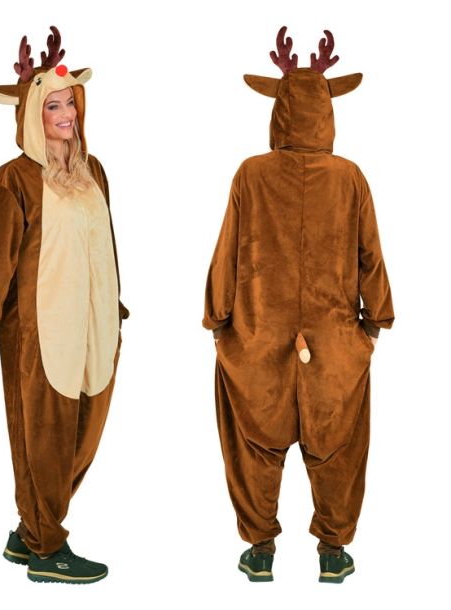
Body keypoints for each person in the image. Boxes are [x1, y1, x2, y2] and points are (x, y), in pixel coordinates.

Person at [202, 26, 394, 584]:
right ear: (326, 111)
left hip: (257, 337)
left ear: (280, 110)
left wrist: (218, 318)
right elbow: (371, 255)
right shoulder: (350, 178)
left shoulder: (251, 174)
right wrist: (375, 321)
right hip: (335, 343)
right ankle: (333, 552)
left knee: (254, 445)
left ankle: (260, 549)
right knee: (337, 447)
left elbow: (227, 252)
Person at [0, 26, 129, 584]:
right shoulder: (17, 178)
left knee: (84, 434)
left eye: (70, 102)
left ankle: (29, 530)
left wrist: (116, 306)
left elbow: (107, 244)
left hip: (97, 326)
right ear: (32, 114)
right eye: (53, 105)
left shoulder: (94, 171)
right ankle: (48, 549)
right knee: (44, 440)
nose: (66, 113)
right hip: (39, 330)